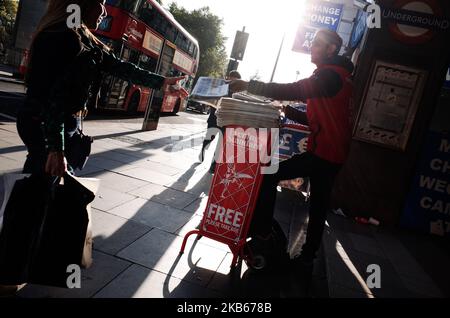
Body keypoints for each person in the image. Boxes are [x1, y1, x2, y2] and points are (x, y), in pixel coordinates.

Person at [17, 0, 188, 177]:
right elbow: (52, 99)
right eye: (101, 2)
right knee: (45, 188)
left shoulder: (82, 37)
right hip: (46, 126)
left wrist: (162, 82)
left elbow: (119, 67)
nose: (105, 12)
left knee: (44, 187)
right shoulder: (62, 37)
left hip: (58, 125)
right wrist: (55, 148)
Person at [229, 29, 354, 271]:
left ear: (331, 50)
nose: (312, 47)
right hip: (332, 153)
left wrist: (251, 85)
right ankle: (308, 255)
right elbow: (316, 119)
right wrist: (288, 112)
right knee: (318, 205)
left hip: (325, 153)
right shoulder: (335, 77)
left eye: (318, 44)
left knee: (268, 174)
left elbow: (295, 89)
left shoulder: (331, 76)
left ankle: (263, 231)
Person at [199, 70, 241, 173]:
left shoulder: (238, 92)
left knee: (221, 145)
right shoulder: (221, 86)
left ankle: (213, 165)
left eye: (236, 80)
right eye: (232, 79)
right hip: (214, 118)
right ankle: (203, 150)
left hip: (226, 122)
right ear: (229, 77)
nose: (234, 82)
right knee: (209, 138)